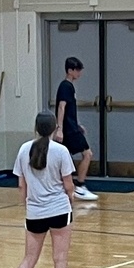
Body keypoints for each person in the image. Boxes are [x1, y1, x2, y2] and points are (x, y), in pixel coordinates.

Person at [3, 111, 75, 268]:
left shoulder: (24, 149)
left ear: (36, 128)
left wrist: (27, 204)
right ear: (55, 128)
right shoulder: (61, 151)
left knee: (29, 258)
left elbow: (21, 185)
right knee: (60, 258)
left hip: (34, 212)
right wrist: (71, 199)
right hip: (59, 210)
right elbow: (68, 184)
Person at [53, 56, 99, 201]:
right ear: (70, 70)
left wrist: (77, 125)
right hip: (68, 129)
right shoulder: (65, 86)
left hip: (72, 127)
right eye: (77, 70)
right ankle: (80, 185)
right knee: (87, 154)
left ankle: (66, 186)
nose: (79, 73)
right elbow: (62, 107)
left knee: (65, 157)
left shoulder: (69, 87)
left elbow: (69, 110)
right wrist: (59, 128)